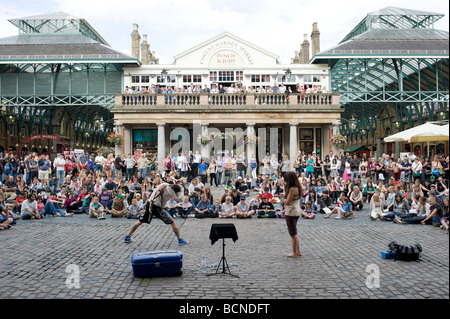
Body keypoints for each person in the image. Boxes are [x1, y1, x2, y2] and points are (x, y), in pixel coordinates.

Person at [123, 183, 188, 245]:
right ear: (174, 191)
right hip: (157, 208)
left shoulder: (164, 184)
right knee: (172, 222)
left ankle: (127, 236)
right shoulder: (171, 193)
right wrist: (181, 189)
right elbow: (181, 199)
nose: (177, 193)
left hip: (149, 204)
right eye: (177, 192)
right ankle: (179, 239)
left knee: (140, 221)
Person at [280, 171, 302, 257]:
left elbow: (288, 202)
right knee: (294, 232)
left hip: (291, 212)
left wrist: (281, 198)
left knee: (293, 233)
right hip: (297, 210)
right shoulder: (298, 187)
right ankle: (297, 251)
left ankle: (294, 252)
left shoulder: (292, 189)